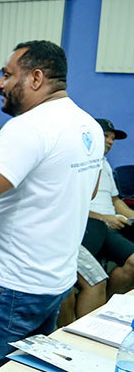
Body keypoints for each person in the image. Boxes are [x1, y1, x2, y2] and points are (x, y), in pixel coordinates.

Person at [0, 40, 103, 372]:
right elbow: (91, 190)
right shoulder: (89, 126)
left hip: (10, 285)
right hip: (54, 281)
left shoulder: (29, 127)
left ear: (35, 78)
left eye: (7, 74)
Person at [82, 118, 134, 296]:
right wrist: (105, 218)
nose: (110, 141)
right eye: (105, 136)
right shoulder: (79, 163)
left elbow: (116, 201)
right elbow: (70, 206)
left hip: (113, 226)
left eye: (112, 138)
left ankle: (111, 302)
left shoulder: (105, 163)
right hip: (91, 226)